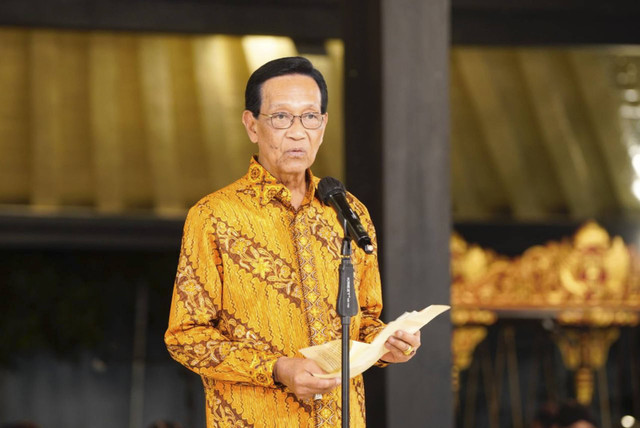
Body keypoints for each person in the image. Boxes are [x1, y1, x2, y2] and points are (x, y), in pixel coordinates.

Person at [165, 56, 420, 427]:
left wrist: (388, 344)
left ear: (323, 124)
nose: (298, 132)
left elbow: (363, 321)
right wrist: (276, 369)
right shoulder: (215, 216)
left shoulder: (348, 212)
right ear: (252, 125)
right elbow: (186, 338)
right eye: (281, 117)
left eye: (310, 117)